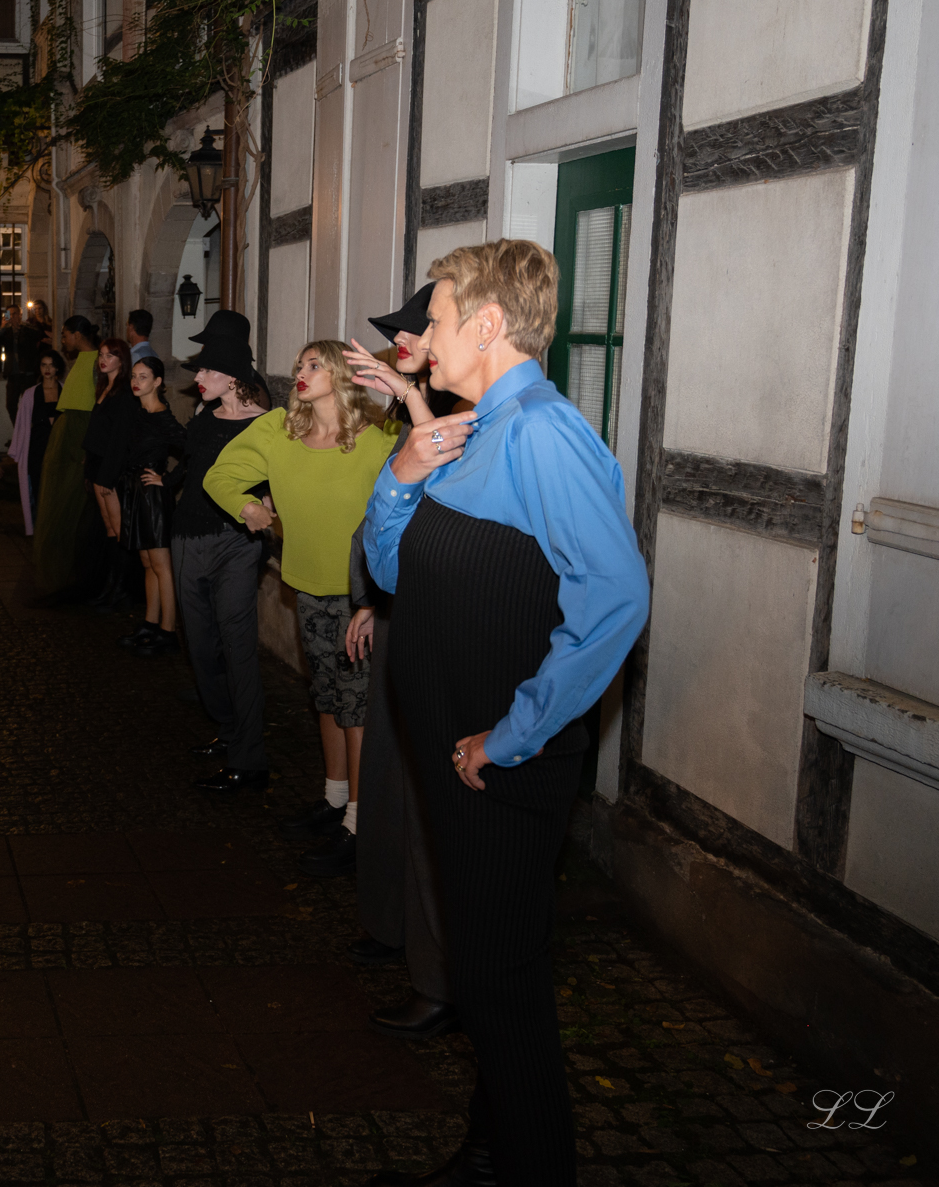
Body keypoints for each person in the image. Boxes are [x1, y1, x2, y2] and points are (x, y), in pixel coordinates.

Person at [362, 242, 648, 1187]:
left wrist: (515, 734)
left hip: (499, 767)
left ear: (488, 325)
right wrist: (402, 471)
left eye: (437, 319)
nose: (423, 337)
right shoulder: (471, 430)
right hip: (457, 758)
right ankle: (492, 1153)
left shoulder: (541, 434)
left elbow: (614, 598)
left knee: (499, 982)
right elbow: (393, 572)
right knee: (491, 972)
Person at [325, 285, 459, 1044]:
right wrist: (373, 600)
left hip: (438, 627)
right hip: (400, 613)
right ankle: (391, 925)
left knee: (423, 799)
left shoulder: (460, 416)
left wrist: (411, 401)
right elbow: (388, 523)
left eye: (414, 330)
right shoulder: (415, 413)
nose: (401, 341)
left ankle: (438, 979)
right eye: (401, 332)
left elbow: (443, 512)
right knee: (384, 782)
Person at [203, 341, 396, 812]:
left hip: (359, 599)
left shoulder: (379, 442)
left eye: (314, 365)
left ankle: (358, 822)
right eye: (299, 366)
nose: (300, 373)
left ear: (341, 374)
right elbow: (219, 476)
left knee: (355, 710)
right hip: (307, 591)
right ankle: (334, 800)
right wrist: (247, 506)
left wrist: (377, 600)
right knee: (326, 698)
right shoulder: (279, 430)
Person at [171, 313, 274, 787]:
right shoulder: (202, 419)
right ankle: (230, 729)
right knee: (201, 646)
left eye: (207, 370)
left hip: (236, 543)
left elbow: (276, 479)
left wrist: (267, 502)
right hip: (186, 538)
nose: (198, 377)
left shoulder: (267, 425)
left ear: (231, 376)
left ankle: (249, 758)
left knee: (237, 645)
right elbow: (191, 473)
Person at [118, 355, 186, 655]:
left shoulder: (162, 416)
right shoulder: (138, 413)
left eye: (143, 376)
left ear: (157, 382)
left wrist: (167, 479)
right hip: (135, 492)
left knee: (162, 565)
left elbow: (193, 451)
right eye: (134, 376)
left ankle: (168, 632)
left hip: (154, 497)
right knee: (148, 563)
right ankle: (150, 623)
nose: (136, 381)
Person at [31, 316, 101, 596]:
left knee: (68, 509)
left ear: (77, 335)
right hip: (67, 439)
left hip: (77, 442)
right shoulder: (81, 361)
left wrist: (88, 450)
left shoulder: (96, 362)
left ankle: (67, 575)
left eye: (64, 334)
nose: (62, 340)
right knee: (56, 505)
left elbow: (96, 409)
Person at [81, 336, 138, 608]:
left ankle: (122, 588)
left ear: (121, 360)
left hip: (109, 467)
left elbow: (119, 439)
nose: (103, 360)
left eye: (110, 355)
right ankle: (111, 585)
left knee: (118, 528)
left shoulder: (125, 393)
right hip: (96, 463)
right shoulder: (105, 387)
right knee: (108, 528)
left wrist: (107, 474)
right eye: (101, 355)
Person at [6, 349, 65, 534]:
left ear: (57, 368)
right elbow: (22, 424)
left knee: (57, 491)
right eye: (43, 365)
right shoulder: (30, 394)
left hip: (60, 451)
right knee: (39, 491)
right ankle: (41, 529)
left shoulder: (66, 391)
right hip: (37, 450)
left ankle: (56, 529)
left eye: (51, 365)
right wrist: (18, 450)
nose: (47, 369)